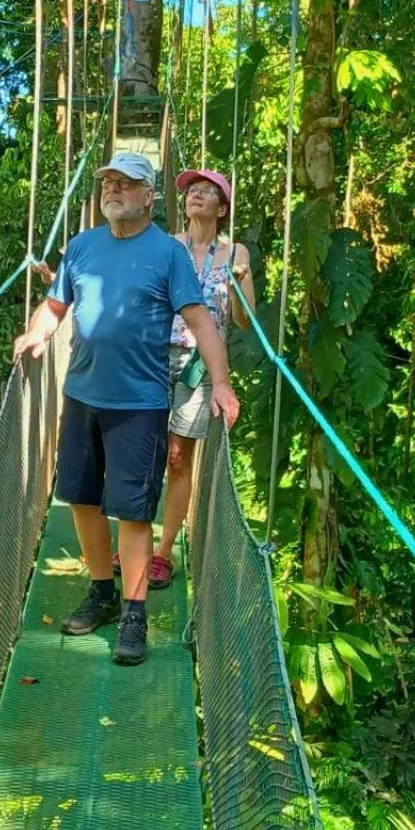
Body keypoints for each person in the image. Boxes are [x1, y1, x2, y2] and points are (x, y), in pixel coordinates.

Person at [14, 152, 239, 666]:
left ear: (149, 196)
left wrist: (221, 385)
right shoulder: (82, 248)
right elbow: (55, 305)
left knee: (133, 511)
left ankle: (135, 613)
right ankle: (102, 592)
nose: (112, 190)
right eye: (107, 182)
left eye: (126, 183)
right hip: (82, 396)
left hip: (139, 403)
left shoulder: (167, 253)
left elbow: (203, 324)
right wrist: (36, 335)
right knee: (82, 499)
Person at [147, 168, 255, 589]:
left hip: (199, 364)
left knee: (177, 457)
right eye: (192, 190)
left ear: (222, 208)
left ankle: (163, 551)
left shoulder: (234, 252)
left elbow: (245, 322)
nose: (195, 195)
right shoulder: (164, 246)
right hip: (153, 357)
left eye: (207, 191)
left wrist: (241, 284)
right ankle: (135, 539)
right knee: (144, 449)